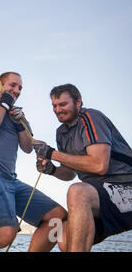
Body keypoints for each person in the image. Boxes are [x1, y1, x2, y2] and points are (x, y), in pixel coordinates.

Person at [0, 72, 66, 252]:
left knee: (57, 217)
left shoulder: (18, 115)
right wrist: (4, 104)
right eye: (12, 85)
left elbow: (27, 147)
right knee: (6, 232)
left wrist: (20, 123)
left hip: (10, 179)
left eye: (20, 88)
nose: (17, 90)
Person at [33, 83, 132, 252]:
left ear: (78, 102)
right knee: (63, 234)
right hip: (101, 194)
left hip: (126, 187)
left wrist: (51, 153)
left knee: (77, 191)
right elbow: (70, 173)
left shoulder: (91, 117)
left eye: (63, 104)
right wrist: (52, 169)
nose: (58, 110)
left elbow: (99, 165)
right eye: (54, 106)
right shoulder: (61, 133)